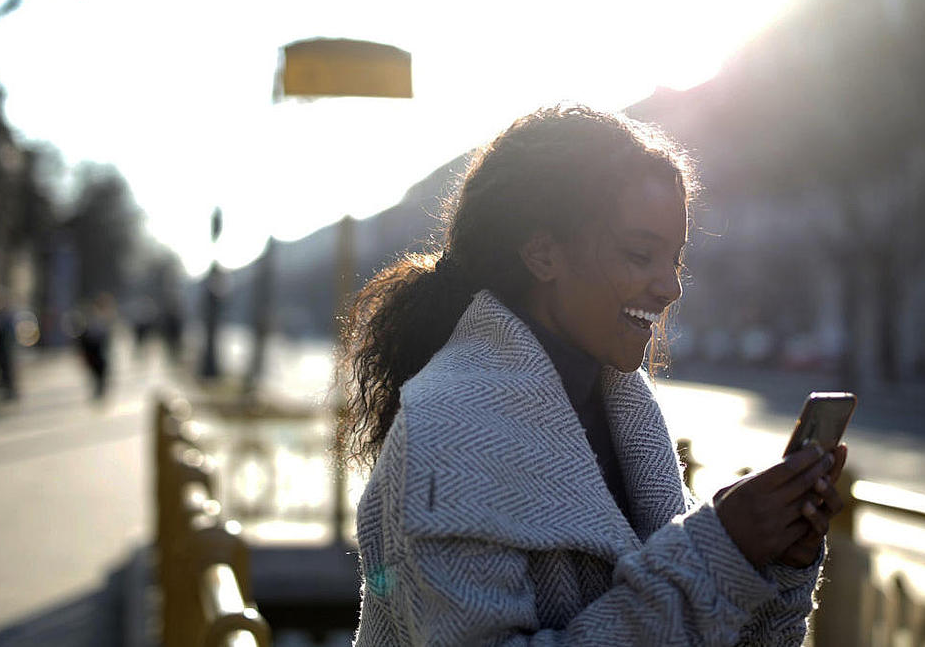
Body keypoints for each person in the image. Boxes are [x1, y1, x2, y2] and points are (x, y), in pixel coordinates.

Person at [339, 104, 848, 646]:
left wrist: (772, 563)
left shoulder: (624, 405)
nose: (669, 287)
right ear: (542, 252)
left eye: (674, 259)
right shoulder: (445, 429)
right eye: (639, 254)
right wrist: (720, 550)